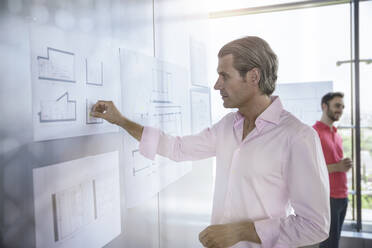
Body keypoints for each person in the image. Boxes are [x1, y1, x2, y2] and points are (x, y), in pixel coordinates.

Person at [91, 36, 330, 248]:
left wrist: (241, 231)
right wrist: (121, 121)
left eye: (224, 76)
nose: (217, 85)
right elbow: (177, 148)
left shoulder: (297, 136)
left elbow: (314, 226)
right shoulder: (227, 126)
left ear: (253, 76)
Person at [313, 92, 352, 248]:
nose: (340, 110)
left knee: (334, 243)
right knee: (330, 245)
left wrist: (343, 165)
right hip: (328, 198)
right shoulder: (314, 133)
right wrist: (338, 167)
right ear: (324, 106)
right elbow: (312, 168)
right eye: (337, 105)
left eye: (342, 107)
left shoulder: (337, 134)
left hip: (343, 197)